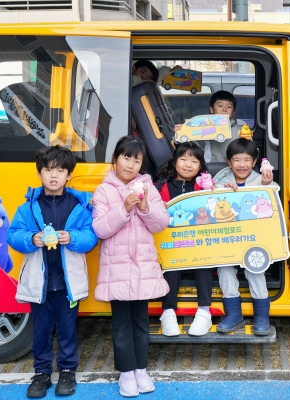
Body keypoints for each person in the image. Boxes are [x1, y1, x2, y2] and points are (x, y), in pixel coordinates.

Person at [7, 145, 98, 399]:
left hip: (68, 283)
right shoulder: (28, 207)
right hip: (40, 283)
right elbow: (12, 235)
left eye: (60, 170)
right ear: (39, 174)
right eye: (48, 170)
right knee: (41, 329)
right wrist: (31, 238)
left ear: (69, 175)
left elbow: (91, 237)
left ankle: (68, 371)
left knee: (68, 329)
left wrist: (73, 237)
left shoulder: (80, 205)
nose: (54, 175)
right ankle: (42, 373)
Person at [92, 136, 170, 397]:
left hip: (143, 268)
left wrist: (146, 207)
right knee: (121, 323)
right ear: (115, 160)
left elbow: (161, 223)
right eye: (126, 158)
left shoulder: (148, 187)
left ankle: (141, 370)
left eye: (137, 160)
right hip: (117, 269)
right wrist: (125, 209)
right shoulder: (104, 190)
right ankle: (126, 372)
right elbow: (100, 229)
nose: (131, 164)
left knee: (141, 321)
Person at [212, 138, 277, 336]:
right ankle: (233, 315)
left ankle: (261, 317)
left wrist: (266, 186)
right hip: (227, 238)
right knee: (224, 268)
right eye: (237, 160)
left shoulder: (263, 179)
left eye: (247, 160)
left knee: (255, 270)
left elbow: (272, 208)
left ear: (255, 162)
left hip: (253, 238)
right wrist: (220, 191)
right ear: (229, 162)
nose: (242, 165)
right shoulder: (219, 181)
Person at [154, 142, 213, 337]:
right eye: (183, 159)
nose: (188, 164)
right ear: (175, 161)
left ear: (200, 166)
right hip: (170, 245)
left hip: (198, 245)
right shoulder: (161, 185)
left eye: (194, 161)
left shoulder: (204, 186)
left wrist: (215, 190)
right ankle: (168, 312)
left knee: (204, 261)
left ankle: (204, 311)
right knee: (171, 262)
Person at [174, 90, 248, 162]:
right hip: (210, 168)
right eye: (220, 105)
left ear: (233, 112)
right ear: (211, 110)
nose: (224, 109)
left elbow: (248, 152)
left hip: (234, 169)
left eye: (229, 107)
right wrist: (180, 132)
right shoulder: (203, 127)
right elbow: (192, 146)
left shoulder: (239, 131)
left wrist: (248, 141)